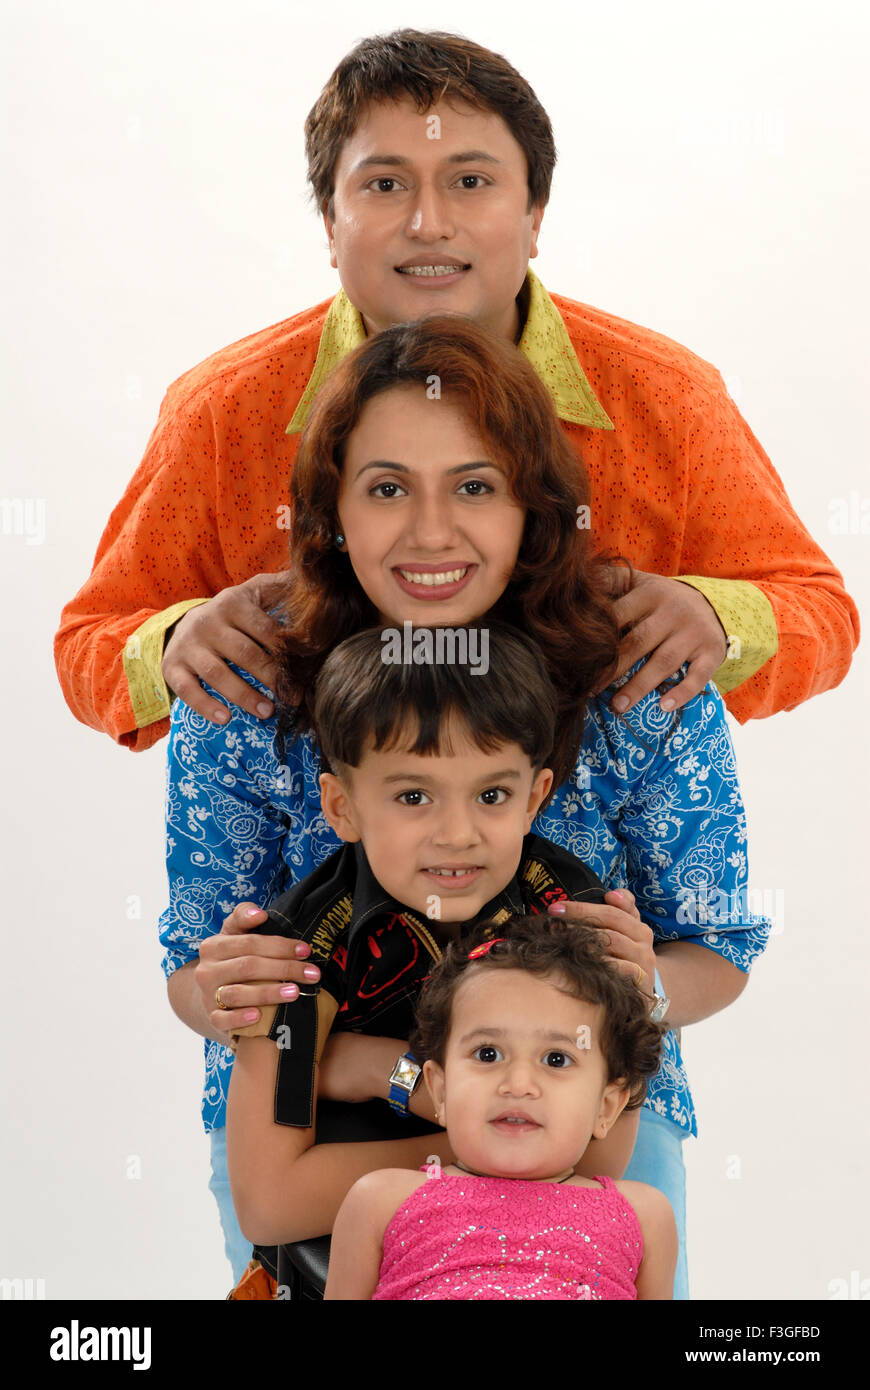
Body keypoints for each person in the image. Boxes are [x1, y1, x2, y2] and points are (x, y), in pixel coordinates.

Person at [160, 315, 769, 1299]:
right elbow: (198, 981)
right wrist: (251, 1007)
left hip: (582, 1138)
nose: (431, 531)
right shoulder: (246, 680)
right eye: (387, 487)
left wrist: (635, 992)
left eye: (476, 487)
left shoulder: (639, 671)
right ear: (331, 512)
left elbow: (716, 951)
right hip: (317, 1140)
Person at [54, 29, 858, 752]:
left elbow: (824, 614)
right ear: (330, 226)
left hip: (602, 902)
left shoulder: (669, 394)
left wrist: (721, 618)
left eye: (471, 181)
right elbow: (87, 645)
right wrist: (173, 644)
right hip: (315, 897)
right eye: (385, 186)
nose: (429, 223)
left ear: (536, 213)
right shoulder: (224, 408)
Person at [226, 623, 645, 1259]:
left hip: (538, 1243)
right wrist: (491, 1135)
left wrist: (363, 1069)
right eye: (414, 795)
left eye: (492, 794)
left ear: (535, 799)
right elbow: (269, 1203)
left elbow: (606, 1153)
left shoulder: (574, 916)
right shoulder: (296, 952)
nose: (457, 834)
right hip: (342, 1259)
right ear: (342, 807)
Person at [324, 917, 678, 1300]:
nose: (517, 1085)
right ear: (440, 1090)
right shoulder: (380, 1200)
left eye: (556, 1059)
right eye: (488, 1054)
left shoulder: (643, 1216)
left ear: (606, 1107)